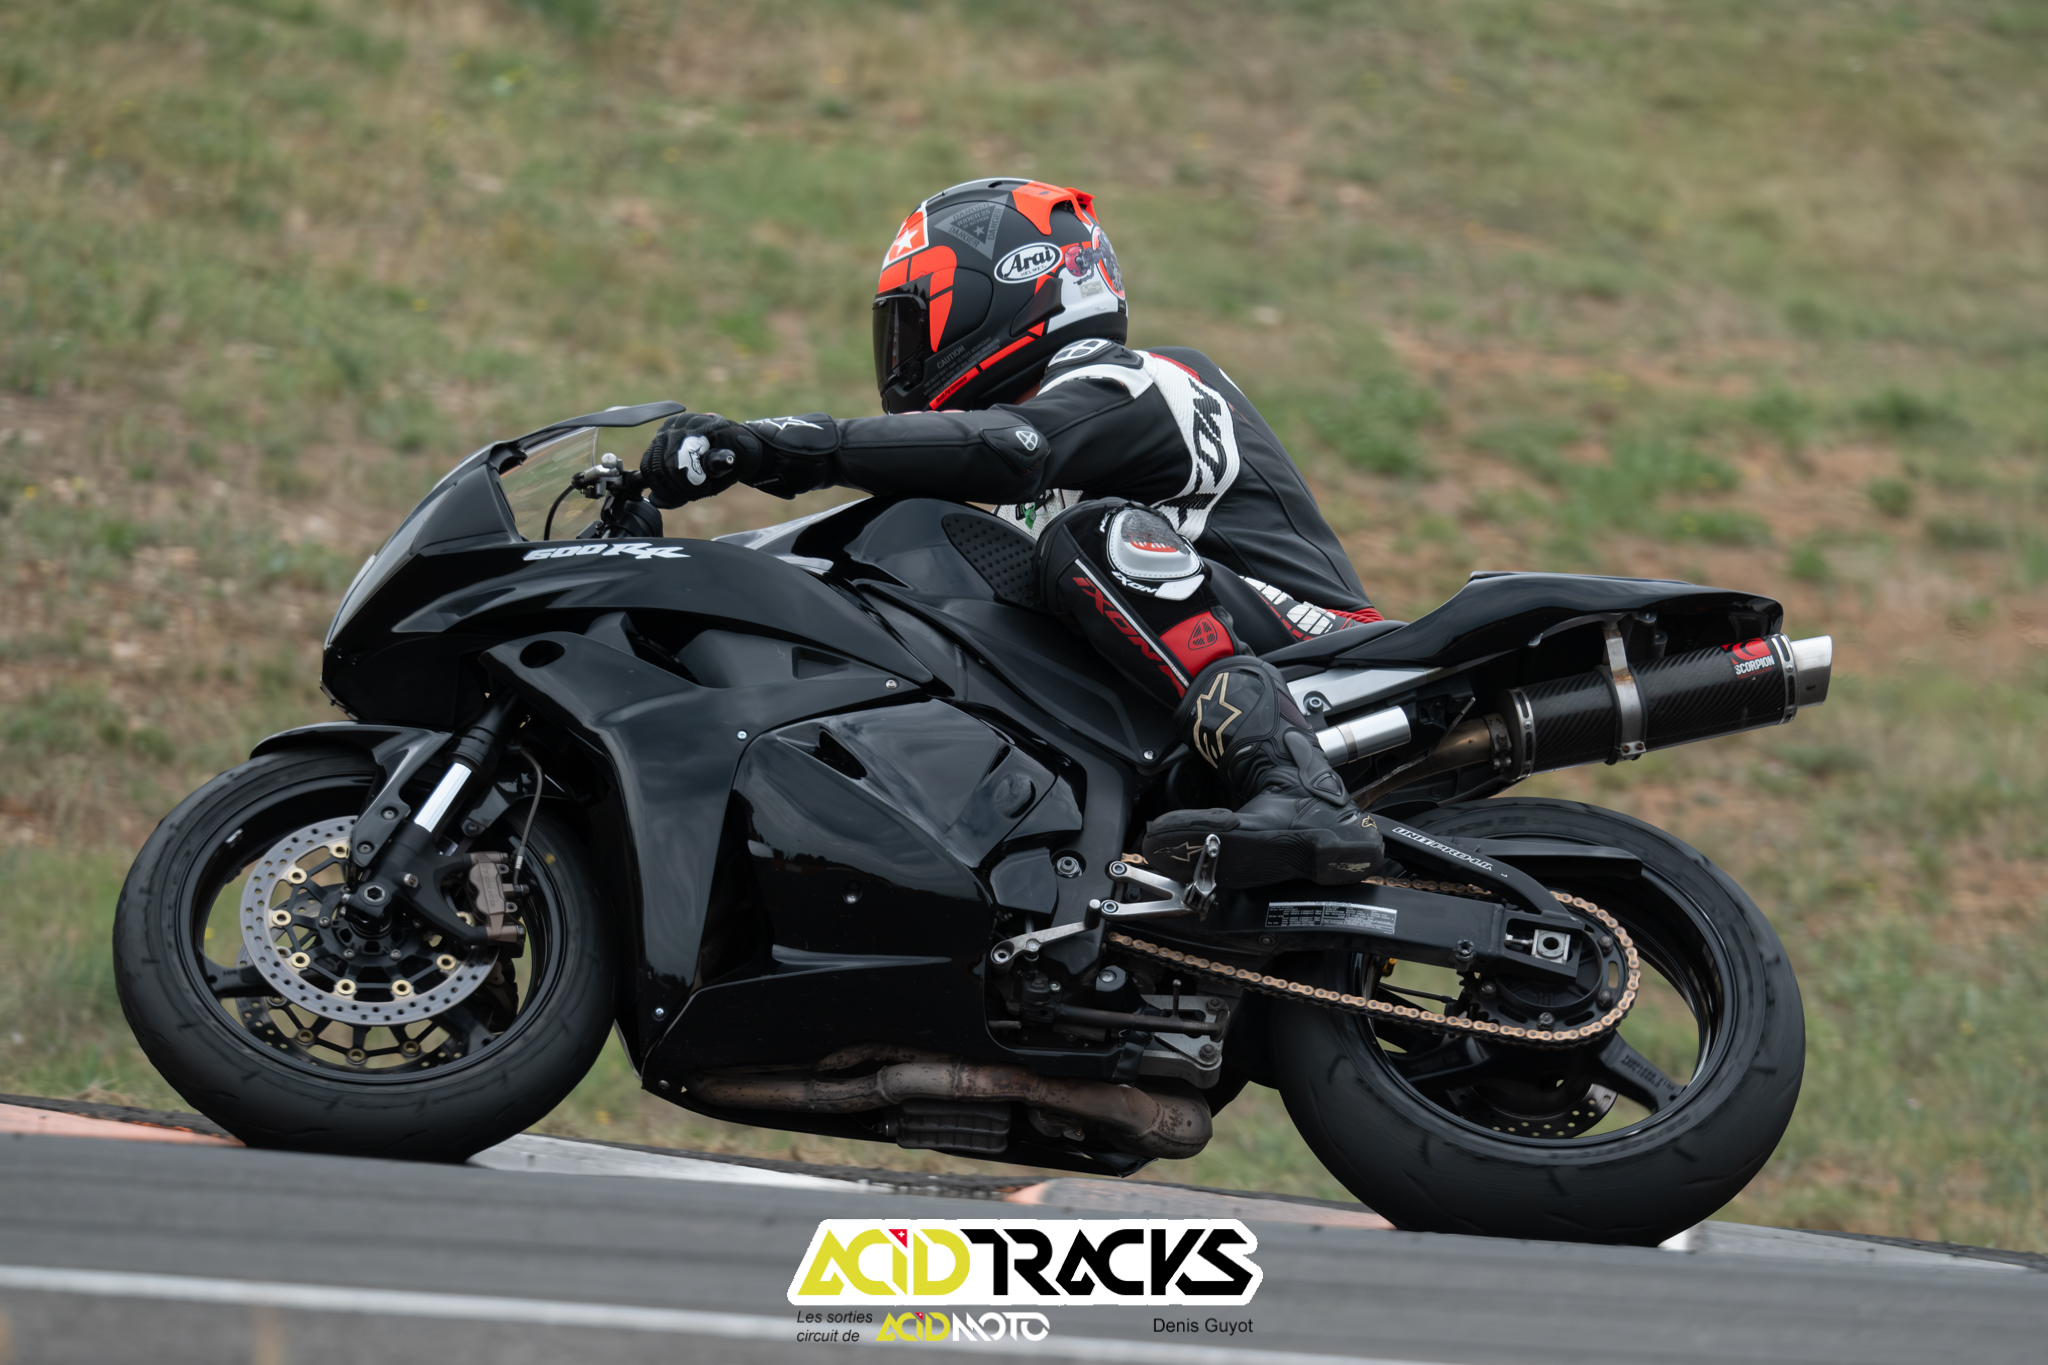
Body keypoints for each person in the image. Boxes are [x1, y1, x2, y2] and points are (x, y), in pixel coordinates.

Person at [638, 178, 1385, 887]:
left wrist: (785, 446)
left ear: (1006, 288)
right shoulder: (1024, 484)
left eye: (915, 320)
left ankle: (1297, 785)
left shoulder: (1139, 380)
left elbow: (1009, 446)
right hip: (1193, 696)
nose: (902, 354)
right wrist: (682, 567)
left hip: (1323, 651)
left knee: (1095, 537)